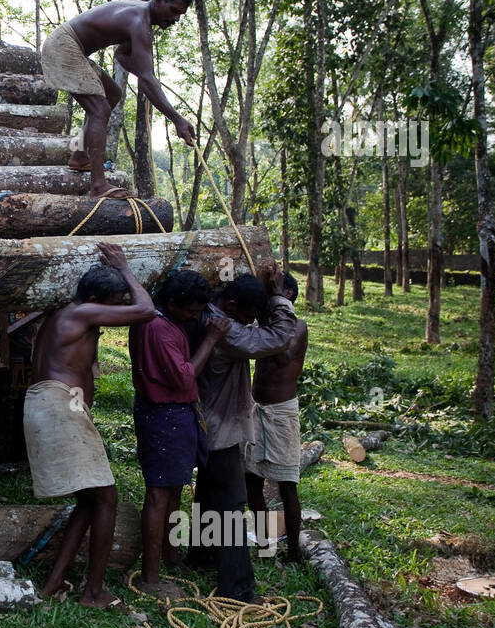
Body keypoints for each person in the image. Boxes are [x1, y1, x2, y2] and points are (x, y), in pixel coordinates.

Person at [24, 243, 156, 608]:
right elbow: (145, 310)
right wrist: (127, 270)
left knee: (89, 499)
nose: (119, 308)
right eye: (115, 300)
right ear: (97, 299)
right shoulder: (80, 314)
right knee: (106, 499)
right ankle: (93, 591)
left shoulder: (66, 315)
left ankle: (54, 581)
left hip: (56, 403)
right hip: (60, 404)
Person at [188, 265, 298, 603]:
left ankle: (201, 556)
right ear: (233, 307)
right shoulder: (226, 330)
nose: (252, 321)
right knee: (231, 505)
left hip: (209, 421)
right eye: (250, 315)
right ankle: (237, 588)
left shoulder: (209, 312)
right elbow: (279, 338)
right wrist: (280, 301)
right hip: (219, 427)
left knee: (208, 493)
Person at [39, 0, 198, 200]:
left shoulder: (141, 16)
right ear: (159, 0)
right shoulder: (139, 23)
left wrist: (144, 75)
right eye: (173, 11)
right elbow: (147, 80)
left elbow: (122, 55)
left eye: (180, 14)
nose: (175, 19)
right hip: (63, 46)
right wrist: (177, 119)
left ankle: (79, 155)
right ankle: (98, 185)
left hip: (69, 46)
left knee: (113, 93)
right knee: (100, 110)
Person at [129, 269, 229, 595]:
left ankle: (170, 557)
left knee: (173, 491)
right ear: (171, 303)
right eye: (190, 311)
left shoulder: (164, 321)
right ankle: (150, 578)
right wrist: (212, 340)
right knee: (159, 494)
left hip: (175, 414)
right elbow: (185, 378)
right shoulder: (158, 329)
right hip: (163, 415)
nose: (194, 318)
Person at [245, 273, 309, 562]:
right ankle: (263, 545)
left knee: (287, 485)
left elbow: (283, 356)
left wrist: (276, 305)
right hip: (257, 409)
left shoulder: (298, 327)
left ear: (289, 295)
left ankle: (294, 552)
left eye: (277, 290)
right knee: (251, 483)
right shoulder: (263, 323)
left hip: (282, 412)